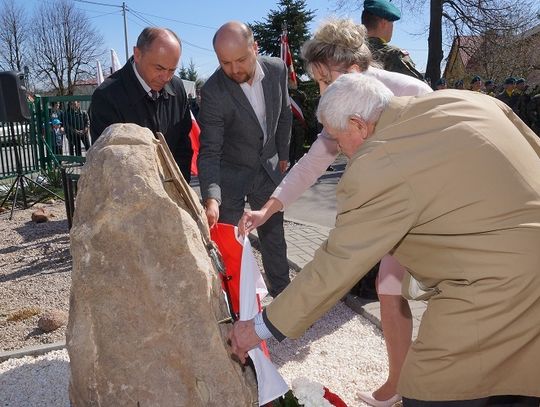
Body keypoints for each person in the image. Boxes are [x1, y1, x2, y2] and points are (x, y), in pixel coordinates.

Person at [231, 73, 540, 407]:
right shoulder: (467, 101)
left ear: (359, 125)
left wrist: (259, 328)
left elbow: (336, 264)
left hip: (495, 287)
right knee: (517, 383)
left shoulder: (379, 162)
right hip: (524, 270)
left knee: (431, 387)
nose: (337, 150)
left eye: (336, 139)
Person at [238, 18, 432, 406]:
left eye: (326, 81)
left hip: (432, 208)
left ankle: (439, 382)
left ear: (355, 71)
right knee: (389, 288)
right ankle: (399, 382)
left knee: (441, 291)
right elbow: (312, 164)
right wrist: (268, 209)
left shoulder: (412, 93)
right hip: (396, 213)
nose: (322, 92)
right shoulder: (343, 106)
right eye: (319, 83)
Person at [197, 21, 292, 297]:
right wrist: (211, 198)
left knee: (274, 235)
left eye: (240, 59)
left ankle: (282, 292)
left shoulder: (277, 69)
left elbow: (285, 113)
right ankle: (238, 298)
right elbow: (210, 150)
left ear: (255, 47)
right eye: (225, 63)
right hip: (231, 175)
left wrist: (284, 155)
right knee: (231, 240)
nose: (234, 70)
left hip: (268, 169)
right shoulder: (213, 90)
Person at [90, 27, 193, 182]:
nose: (166, 77)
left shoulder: (177, 88)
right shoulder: (107, 97)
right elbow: (107, 162)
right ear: (137, 54)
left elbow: (183, 148)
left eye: (172, 70)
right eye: (159, 68)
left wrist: (177, 190)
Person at [362, 0, 424, 81]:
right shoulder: (394, 55)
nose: (392, 28)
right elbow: (421, 88)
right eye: (392, 23)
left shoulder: (349, 52)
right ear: (384, 23)